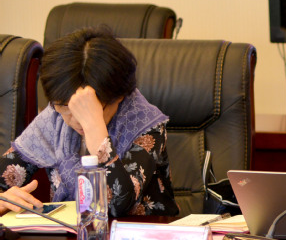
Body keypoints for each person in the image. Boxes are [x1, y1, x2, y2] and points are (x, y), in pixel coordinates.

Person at [0, 27, 179, 216]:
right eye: (65, 106)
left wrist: (94, 127)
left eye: (89, 107)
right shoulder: (53, 117)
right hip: (68, 232)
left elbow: (115, 205)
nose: (78, 119)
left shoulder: (146, 123)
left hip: (140, 232)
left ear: (119, 96)